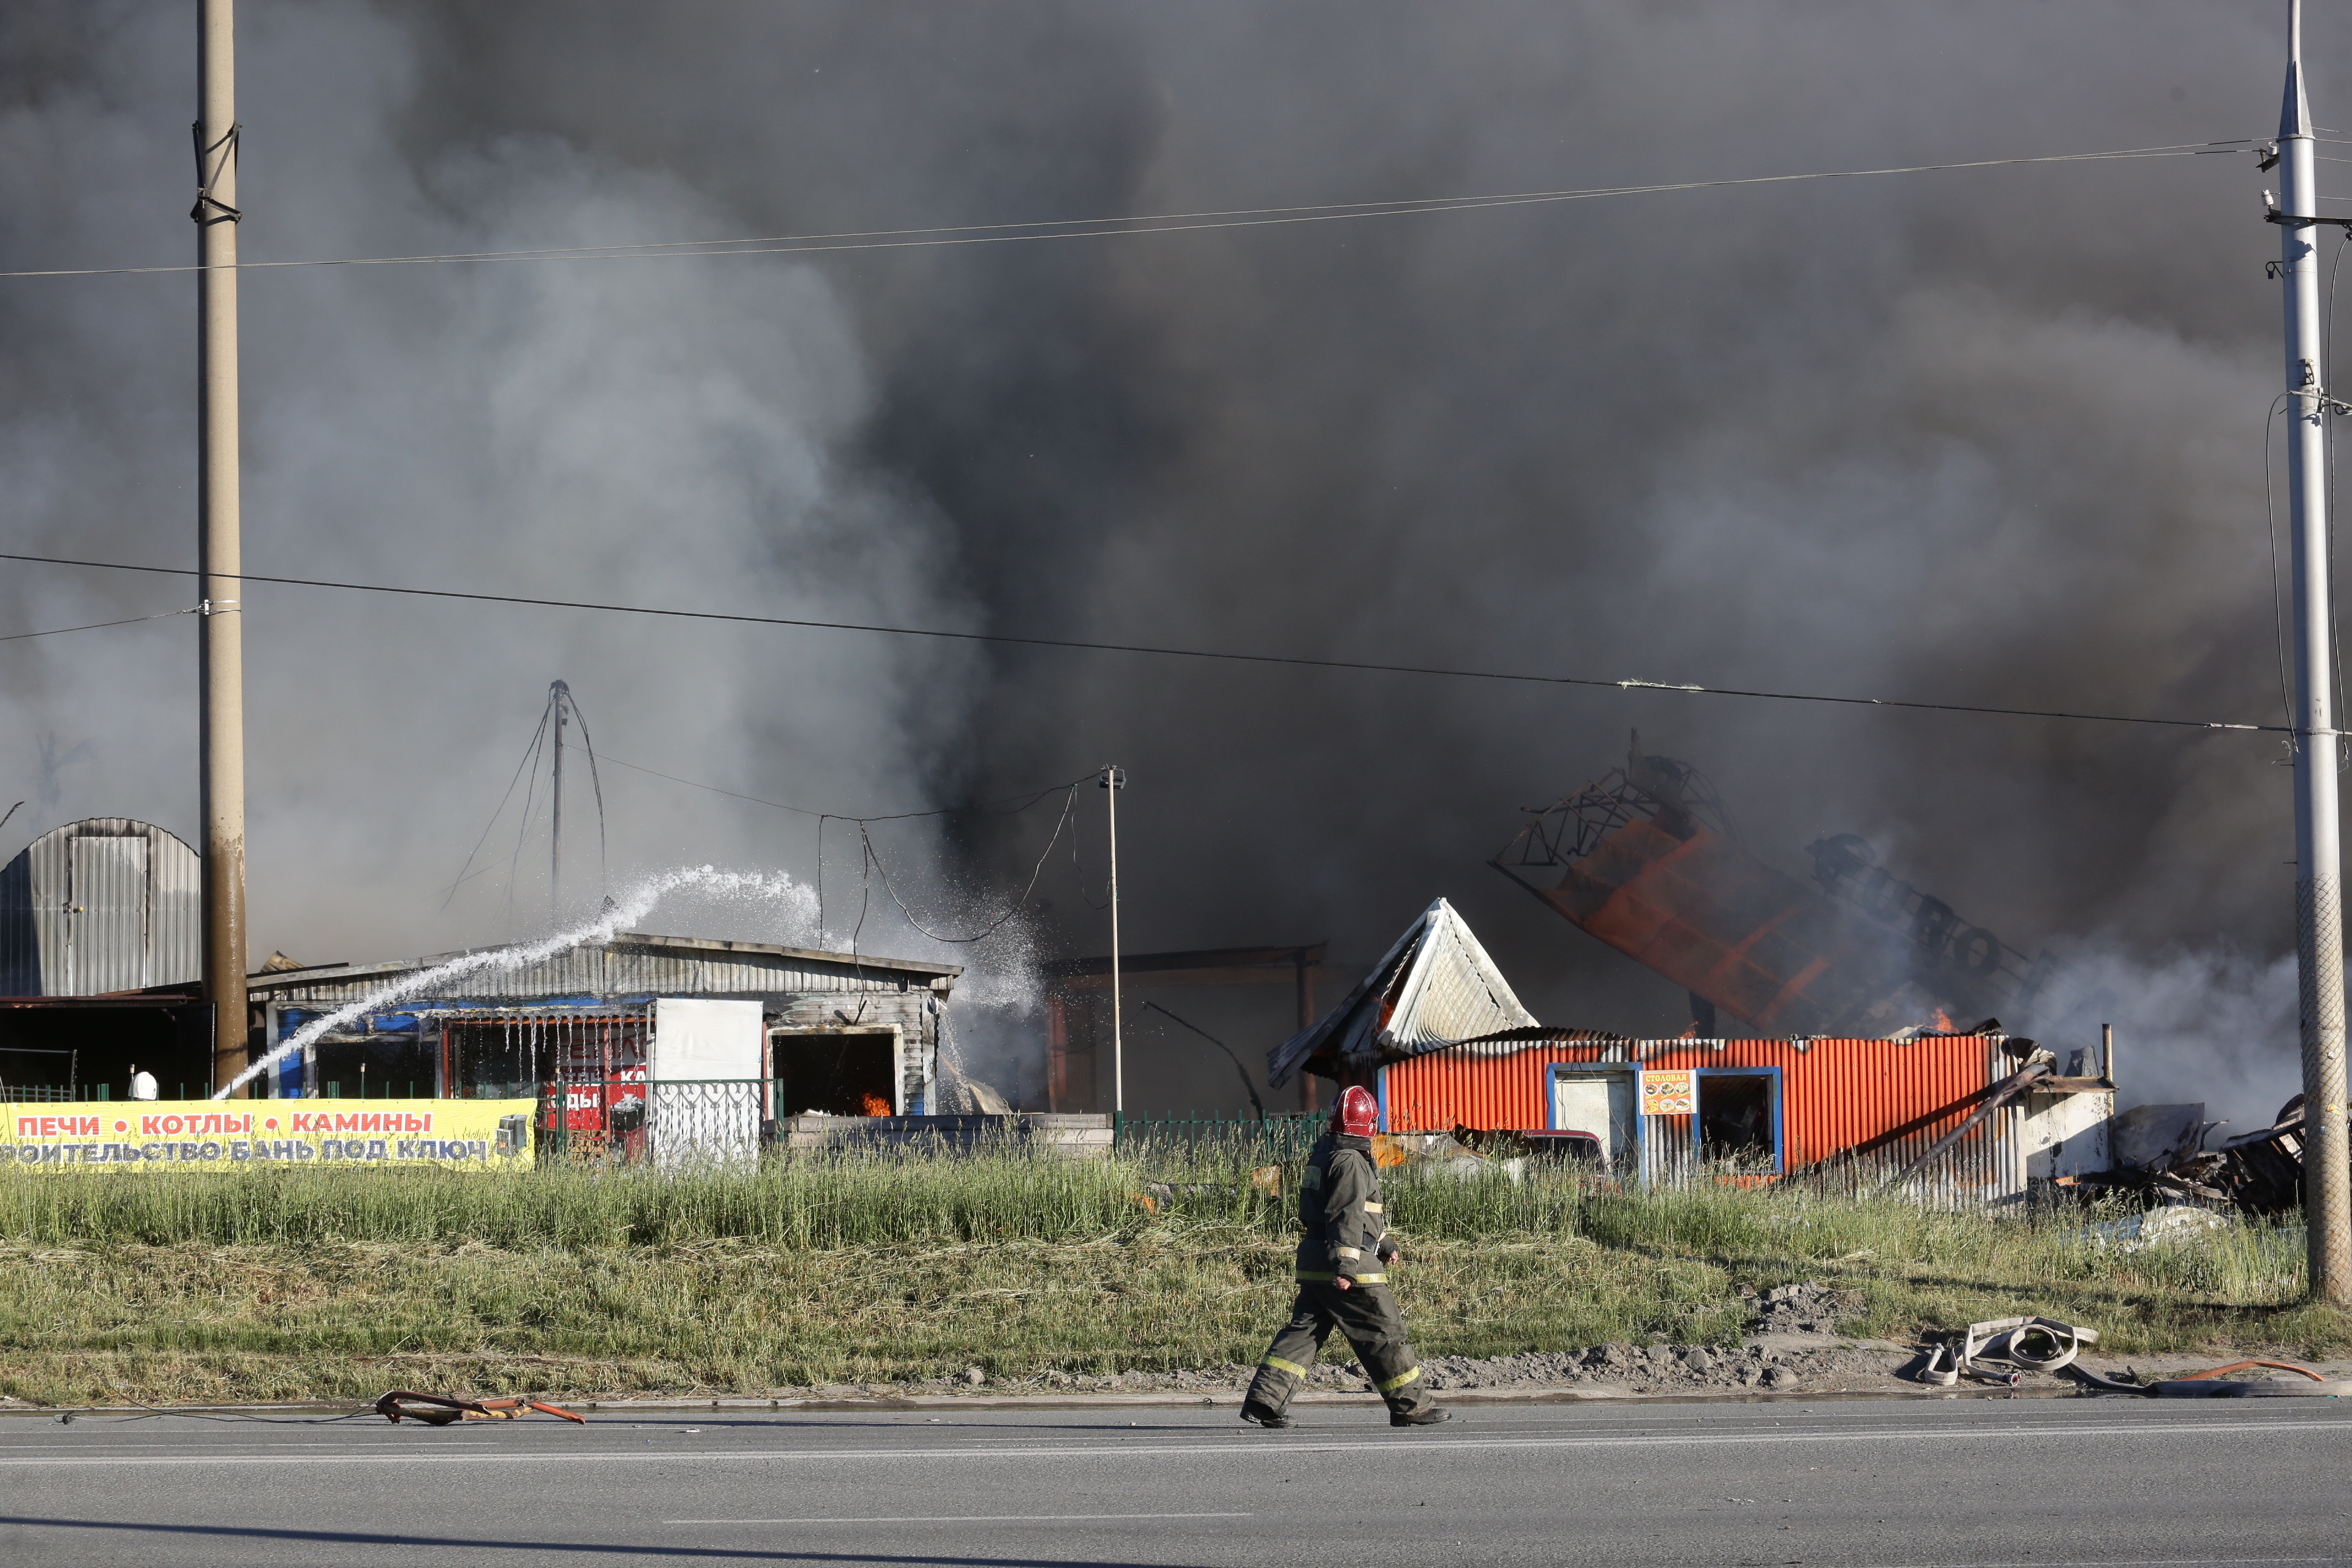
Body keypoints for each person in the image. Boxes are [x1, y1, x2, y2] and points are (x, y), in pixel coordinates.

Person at [1240, 1084, 1447, 1429]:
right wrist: (1347, 1266)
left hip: (1314, 1257)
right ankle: (1411, 1406)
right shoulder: (1350, 1161)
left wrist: (1384, 1242)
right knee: (1384, 1330)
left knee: (1304, 1332)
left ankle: (1265, 1402)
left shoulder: (1323, 1155)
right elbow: (1345, 1216)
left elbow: (1345, 1214)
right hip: (1345, 1261)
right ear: (1368, 1124)